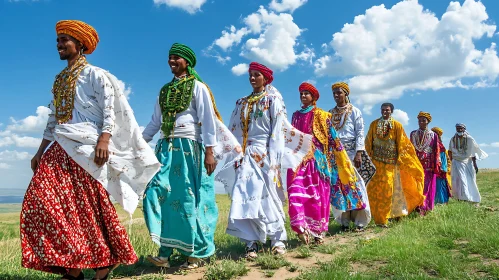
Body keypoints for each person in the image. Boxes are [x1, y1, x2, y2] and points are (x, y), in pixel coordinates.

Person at [21, 20, 160, 280]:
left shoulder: (96, 75)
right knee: (41, 202)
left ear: (80, 44)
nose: (60, 45)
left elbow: (110, 108)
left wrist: (104, 140)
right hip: (60, 146)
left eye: (65, 40)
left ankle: (102, 267)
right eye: (58, 40)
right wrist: (40, 150)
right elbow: (54, 118)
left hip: (88, 148)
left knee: (86, 209)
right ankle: (72, 267)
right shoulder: (59, 79)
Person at [141, 43, 240, 270]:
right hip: (165, 148)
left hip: (190, 149)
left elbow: (207, 121)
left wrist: (209, 152)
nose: (171, 61)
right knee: (157, 193)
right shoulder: (164, 90)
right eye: (169, 57)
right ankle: (165, 250)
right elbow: (155, 123)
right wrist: (136, 144)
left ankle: (193, 253)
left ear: (187, 61)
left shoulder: (198, 87)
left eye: (176, 57)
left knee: (188, 199)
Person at [216, 62, 313, 259]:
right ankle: (251, 242)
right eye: (250, 75)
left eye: (257, 75)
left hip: (264, 154)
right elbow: (233, 129)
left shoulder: (272, 100)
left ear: (266, 78)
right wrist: (235, 154)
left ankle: (277, 240)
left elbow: (277, 132)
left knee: (268, 196)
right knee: (243, 196)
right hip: (245, 155)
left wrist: (274, 160)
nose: (252, 78)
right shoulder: (241, 102)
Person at [365, 103, 425, 227]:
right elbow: (368, 141)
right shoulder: (374, 124)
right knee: (375, 190)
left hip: (391, 163)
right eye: (383, 110)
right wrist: (367, 157)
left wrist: (401, 159)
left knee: (389, 188)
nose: (385, 112)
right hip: (376, 163)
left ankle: (388, 217)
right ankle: (378, 217)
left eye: (387, 110)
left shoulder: (397, 125)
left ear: (391, 111)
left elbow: (402, 143)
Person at [329, 82, 373, 230]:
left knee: (355, 185)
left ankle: (360, 221)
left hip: (352, 153)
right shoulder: (330, 113)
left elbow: (360, 132)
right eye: (334, 93)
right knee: (340, 187)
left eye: (339, 92)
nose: (336, 95)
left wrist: (359, 153)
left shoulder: (355, 111)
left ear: (346, 94)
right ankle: (345, 221)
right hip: (336, 154)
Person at [448, 123, 488, 204]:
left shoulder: (469, 139)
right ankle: (459, 198)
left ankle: (471, 198)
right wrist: (452, 161)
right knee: (457, 181)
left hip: (467, 163)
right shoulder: (452, 139)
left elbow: (473, 152)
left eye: (461, 128)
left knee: (468, 180)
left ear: (464, 129)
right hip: (456, 162)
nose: (459, 130)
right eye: (457, 128)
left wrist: (475, 164)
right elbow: (450, 151)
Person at [410, 112, 440, 213]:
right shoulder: (413, 134)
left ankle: (426, 207)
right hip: (416, 164)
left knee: (427, 186)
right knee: (417, 185)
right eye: (419, 120)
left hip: (428, 165)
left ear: (428, 121)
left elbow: (436, 150)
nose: (421, 122)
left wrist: (436, 164)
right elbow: (411, 149)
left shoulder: (433, 135)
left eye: (423, 120)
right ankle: (416, 206)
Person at [431, 127, 452, 204]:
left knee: (440, 185)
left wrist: (443, 167)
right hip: (432, 167)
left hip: (440, 169)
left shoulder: (440, 146)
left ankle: (441, 201)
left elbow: (443, 157)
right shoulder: (430, 144)